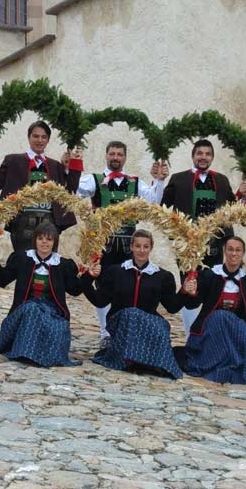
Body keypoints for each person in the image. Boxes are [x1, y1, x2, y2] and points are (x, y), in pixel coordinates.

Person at [77, 141, 168, 345]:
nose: (115, 157)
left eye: (119, 154)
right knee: (102, 285)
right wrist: (71, 168)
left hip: (129, 246)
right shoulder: (95, 180)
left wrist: (159, 181)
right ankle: (105, 331)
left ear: (125, 158)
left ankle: (122, 327)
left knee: (126, 287)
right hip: (104, 244)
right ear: (106, 156)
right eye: (112, 154)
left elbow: (154, 202)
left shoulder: (135, 182)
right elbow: (75, 192)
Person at [161, 139, 246, 338]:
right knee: (189, 290)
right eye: (199, 153)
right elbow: (164, 210)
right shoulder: (178, 179)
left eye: (207, 154)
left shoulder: (222, 180)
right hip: (187, 248)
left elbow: (232, 210)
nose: (203, 157)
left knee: (211, 290)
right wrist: (176, 236)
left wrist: (241, 195)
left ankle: (206, 333)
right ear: (193, 156)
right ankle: (190, 333)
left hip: (215, 247)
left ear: (212, 157)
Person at [0, 222, 95, 367]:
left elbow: (74, 289)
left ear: (54, 242)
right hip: (24, 310)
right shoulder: (22, 259)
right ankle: (25, 352)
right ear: (35, 240)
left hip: (53, 312)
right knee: (32, 310)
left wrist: (90, 276)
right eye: (40, 238)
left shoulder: (62, 265)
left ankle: (40, 354)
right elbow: (2, 280)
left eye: (49, 239)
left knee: (55, 326)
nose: (44, 242)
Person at [179, 236, 246, 384]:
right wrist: (190, 293)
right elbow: (192, 305)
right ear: (224, 251)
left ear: (243, 253)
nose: (233, 254)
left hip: (236, 329)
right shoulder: (210, 275)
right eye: (230, 249)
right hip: (211, 328)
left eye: (238, 250)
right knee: (220, 316)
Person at [86, 229, 184, 378]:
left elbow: (172, 307)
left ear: (151, 248)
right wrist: (87, 279)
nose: (141, 250)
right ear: (131, 247)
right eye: (138, 246)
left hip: (148, 321)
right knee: (132, 314)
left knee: (161, 326)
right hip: (121, 320)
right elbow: (100, 301)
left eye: (145, 246)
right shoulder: (116, 272)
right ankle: (133, 359)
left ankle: (153, 362)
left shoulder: (162, 276)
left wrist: (185, 292)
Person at [0, 120, 83, 251]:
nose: (39, 140)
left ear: (48, 140)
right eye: (36, 136)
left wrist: (73, 165)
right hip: (21, 223)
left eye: (44, 137)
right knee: (23, 263)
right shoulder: (13, 160)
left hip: (50, 223)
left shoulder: (55, 166)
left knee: (48, 265)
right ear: (29, 137)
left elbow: (70, 191)